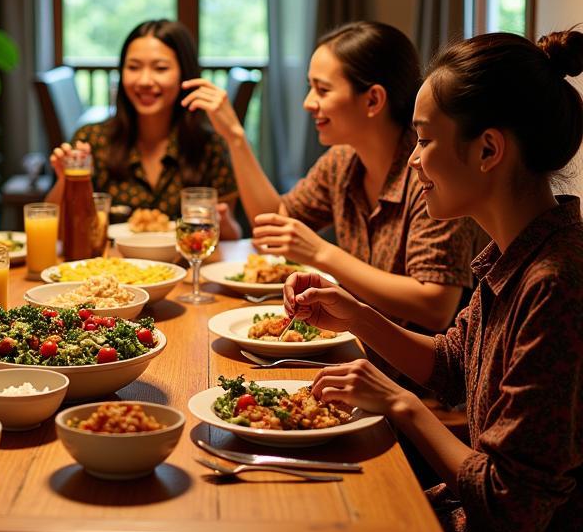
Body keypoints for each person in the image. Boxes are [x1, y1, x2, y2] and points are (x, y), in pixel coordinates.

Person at [195, 27, 583, 532]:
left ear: (488, 149)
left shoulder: (556, 287)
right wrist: (353, 311)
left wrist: (401, 405)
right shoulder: (514, 257)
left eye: (426, 140)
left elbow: (513, 510)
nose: (413, 160)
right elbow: (453, 363)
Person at [182, 21, 476, 331]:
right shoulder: (342, 161)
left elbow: (434, 307)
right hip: (355, 348)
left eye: (322, 89)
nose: (308, 102)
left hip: (410, 373)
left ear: (373, 100)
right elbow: (273, 224)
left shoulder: (428, 172)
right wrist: (235, 137)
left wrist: (321, 253)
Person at [47, 19, 241, 236]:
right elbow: (57, 231)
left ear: (184, 75)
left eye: (160, 68)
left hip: (184, 265)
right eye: (133, 67)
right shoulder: (92, 140)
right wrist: (66, 180)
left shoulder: (209, 145)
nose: (145, 80)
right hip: (109, 266)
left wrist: (223, 223)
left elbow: (230, 233)